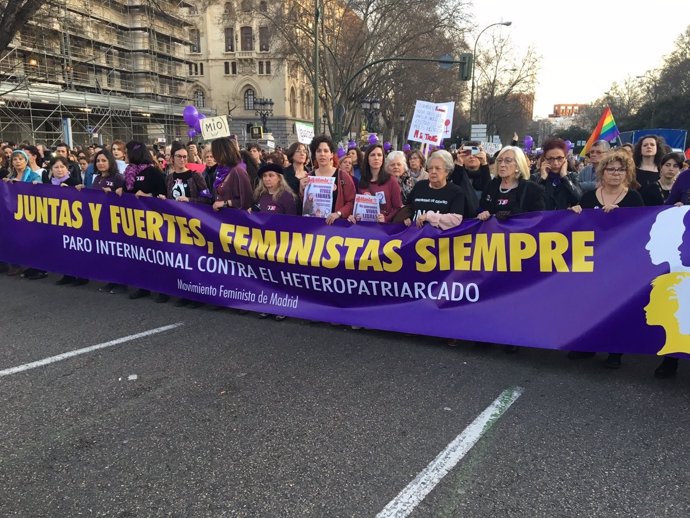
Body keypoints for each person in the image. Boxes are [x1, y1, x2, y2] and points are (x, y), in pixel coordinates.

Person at [568, 149, 644, 368]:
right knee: (591, 305)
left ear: (628, 173)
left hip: (621, 263)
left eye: (621, 170)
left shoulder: (633, 197)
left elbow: (640, 229)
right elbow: (579, 226)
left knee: (616, 306)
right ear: (602, 172)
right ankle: (589, 346)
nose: (616, 174)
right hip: (593, 261)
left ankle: (615, 351)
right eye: (611, 169)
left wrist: (620, 216)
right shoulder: (589, 196)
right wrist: (572, 214)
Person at [116, 141, 167, 301]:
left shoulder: (153, 172)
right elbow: (127, 189)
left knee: (156, 256)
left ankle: (163, 289)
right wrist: (120, 190)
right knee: (140, 255)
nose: (125, 155)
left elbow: (163, 194)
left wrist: (149, 196)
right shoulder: (130, 171)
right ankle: (144, 286)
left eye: (127, 152)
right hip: (135, 221)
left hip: (153, 220)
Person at [477, 146, 545, 222]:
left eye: (508, 161)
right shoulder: (490, 186)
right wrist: (482, 214)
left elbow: (538, 219)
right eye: (499, 160)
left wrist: (511, 215)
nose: (502, 165)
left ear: (518, 165)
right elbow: (480, 208)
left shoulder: (533, 190)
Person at [403, 149, 465, 230]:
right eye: (430, 168)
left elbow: (456, 219)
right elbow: (408, 207)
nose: (433, 172)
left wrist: (429, 216)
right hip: (415, 238)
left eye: (437, 168)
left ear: (447, 171)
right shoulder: (419, 186)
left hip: (439, 240)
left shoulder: (456, 192)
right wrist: (406, 217)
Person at [301, 135, 356, 224]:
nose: (322, 154)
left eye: (326, 151)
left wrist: (339, 213)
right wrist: (302, 190)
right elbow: (304, 205)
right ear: (315, 154)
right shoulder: (309, 177)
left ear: (331, 154)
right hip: (313, 227)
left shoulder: (342, 176)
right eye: (319, 151)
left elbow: (352, 201)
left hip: (336, 228)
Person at [351, 144, 402, 223]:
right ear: (367, 158)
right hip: (366, 228)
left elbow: (397, 207)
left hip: (385, 230)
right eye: (372, 155)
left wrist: (386, 218)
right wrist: (357, 215)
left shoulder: (392, 181)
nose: (376, 158)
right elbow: (358, 206)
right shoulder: (361, 181)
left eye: (379, 155)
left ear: (383, 159)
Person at [531, 138, 582, 210]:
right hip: (543, 219)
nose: (555, 163)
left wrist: (564, 177)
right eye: (551, 159)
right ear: (545, 159)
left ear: (565, 158)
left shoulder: (572, 176)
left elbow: (578, 197)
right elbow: (530, 201)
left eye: (559, 158)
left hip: (564, 220)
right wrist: (542, 179)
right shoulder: (535, 177)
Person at [211, 137, 253, 212]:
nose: (213, 157)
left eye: (214, 153)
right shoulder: (219, 170)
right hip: (220, 218)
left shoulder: (238, 171)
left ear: (221, 153)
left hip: (235, 219)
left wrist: (226, 203)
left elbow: (247, 201)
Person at [283, 142, 311, 211]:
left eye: (304, 151)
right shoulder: (284, 173)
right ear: (292, 154)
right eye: (298, 151)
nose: (302, 154)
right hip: (289, 211)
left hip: (307, 211)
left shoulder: (312, 173)